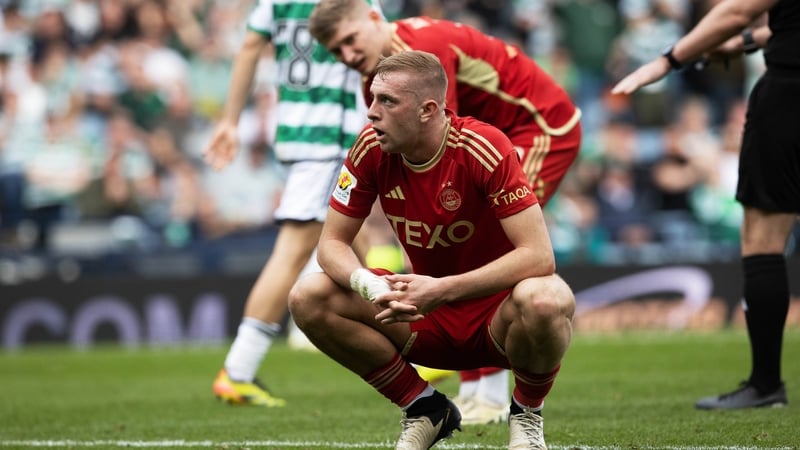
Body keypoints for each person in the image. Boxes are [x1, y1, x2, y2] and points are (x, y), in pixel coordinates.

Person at [307, 0, 582, 424]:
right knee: (463, 235)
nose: (346, 55)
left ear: (375, 17)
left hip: (541, 127)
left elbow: (443, 138)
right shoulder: (381, 84)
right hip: (496, 138)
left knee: (490, 240)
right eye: (335, 51)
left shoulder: (425, 52)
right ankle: (469, 387)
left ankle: (489, 393)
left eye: (349, 40)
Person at [611, 0, 795, 409]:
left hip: (791, 93)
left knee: (764, 237)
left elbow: (737, 10)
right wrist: (748, 42)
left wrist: (668, 60)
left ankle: (766, 384)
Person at [205, 0, 381, 407]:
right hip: (330, 138)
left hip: (297, 134)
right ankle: (238, 370)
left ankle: (413, 342)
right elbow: (383, 48)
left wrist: (231, 119)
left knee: (357, 245)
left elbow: (250, 46)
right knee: (293, 251)